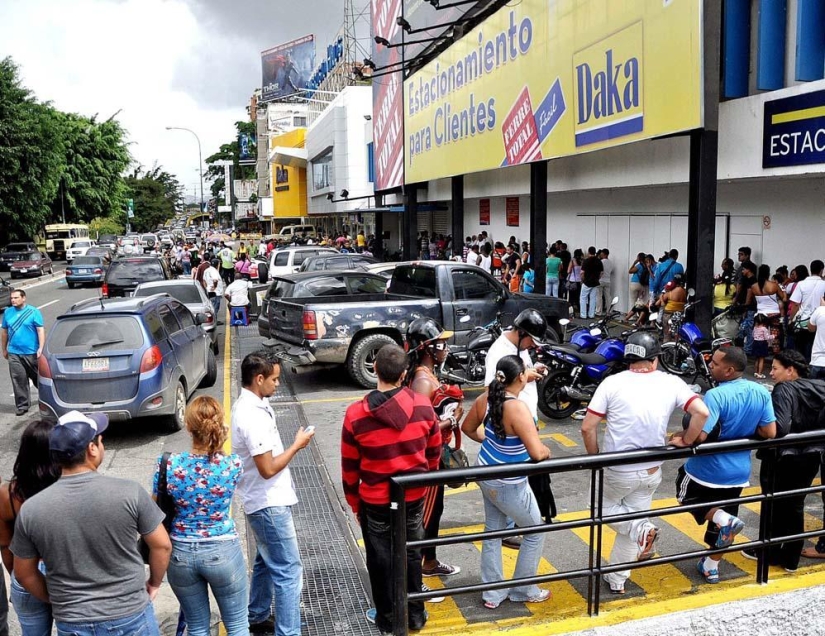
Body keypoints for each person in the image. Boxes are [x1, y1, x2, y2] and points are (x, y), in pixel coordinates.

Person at [10, 411, 171, 635]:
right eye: (100, 439)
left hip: (73, 622)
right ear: (92, 449)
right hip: (130, 616)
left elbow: (24, 573)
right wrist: (153, 583)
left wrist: (57, 599)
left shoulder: (31, 510)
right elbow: (162, 545)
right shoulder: (129, 492)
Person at [580, 331, 708, 594]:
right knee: (634, 527)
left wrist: (595, 459)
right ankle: (617, 579)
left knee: (599, 510)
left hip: (618, 469)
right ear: (656, 359)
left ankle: (640, 529)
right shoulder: (671, 383)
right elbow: (701, 412)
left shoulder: (612, 383)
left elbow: (587, 427)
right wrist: (687, 439)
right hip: (652, 469)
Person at [341, 344, 440, 634]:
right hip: (412, 498)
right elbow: (433, 454)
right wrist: (424, 482)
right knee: (410, 553)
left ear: (374, 370)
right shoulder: (423, 406)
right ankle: (416, 615)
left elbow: (349, 469)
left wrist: (356, 504)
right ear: (405, 374)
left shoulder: (356, 414)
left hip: (375, 501)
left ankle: (387, 618)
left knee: (380, 559)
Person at [671, 347, 776, 584]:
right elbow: (770, 431)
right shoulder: (760, 391)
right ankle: (712, 566)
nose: (711, 366)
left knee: (685, 497)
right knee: (727, 521)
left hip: (705, 470)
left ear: (729, 370)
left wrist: (683, 437)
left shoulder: (716, 395)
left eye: (716, 364)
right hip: (738, 473)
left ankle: (721, 518)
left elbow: (701, 436)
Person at [231, 354, 314, 635]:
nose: (278, 384)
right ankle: (288, 632)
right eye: (275, 379)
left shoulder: (254, 403)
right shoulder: (251, 415)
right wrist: (297, 445)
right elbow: (267, 468)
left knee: (266, 560)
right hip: (268, 503)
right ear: (259, 379)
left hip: (263, 500)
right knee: (289, 571)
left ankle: (256, 614)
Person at [461, 355, 551, 609]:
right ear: (521, 377)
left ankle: (493, 594)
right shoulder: (517, 408)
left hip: (486, 473)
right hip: (510, 483)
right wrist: (546, 450)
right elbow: (536, 453)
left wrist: (491, 443)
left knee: (493, 533)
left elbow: (467, 428)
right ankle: (523, 590)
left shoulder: (486, 399)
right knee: (534, 531)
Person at [159, 396, 245, 636]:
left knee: (197, 626)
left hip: (180, 554)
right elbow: (218, 459)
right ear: (219, 426)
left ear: (188, 427)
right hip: (223, 551)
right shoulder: (232, 465)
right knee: (238, 625)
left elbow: (156, 509)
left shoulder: (169, 465)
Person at [742, 351, 825, 569]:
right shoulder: (818, 386)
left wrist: (759, 428)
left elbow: (779, 428)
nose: (771, 372)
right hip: (811, 457)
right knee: (795, 504)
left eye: (775, 368)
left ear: (790, 370)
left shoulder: (784, 389)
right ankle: (790, 558)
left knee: (774, 504)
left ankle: (768, 551)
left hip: (783, 458)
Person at [484, 309, 551, 548]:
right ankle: (526, 585)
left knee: (492, 529)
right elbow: (492, 390)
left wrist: (530, 373)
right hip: (512, 426)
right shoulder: (499, 352)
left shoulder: (520, 350)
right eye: (531, 339)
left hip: (522, 423)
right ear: (521, 333)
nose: (533, 345)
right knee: (534, 529)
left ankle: (506, 529)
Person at [405, 320, 463, 589]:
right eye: (443, 343)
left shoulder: (427, 375)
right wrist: (449, 421)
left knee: (435, 511)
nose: (447, 348)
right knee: (423, 517)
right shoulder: (422, 382)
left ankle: (429, 562)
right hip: (427, 461)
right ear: (429, 348)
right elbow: (418, 429)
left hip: (436, 455)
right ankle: (414, 578)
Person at [0, 420, 61, 636]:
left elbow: (5, 545)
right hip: (63, 571)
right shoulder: (67, 487)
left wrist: (17, 576)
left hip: (26, 570)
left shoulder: (7, 494)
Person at [1, 289, 45, 416]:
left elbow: (40, 331)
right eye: (12, 298)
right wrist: (4, 349)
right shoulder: (8, 312)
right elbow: (4, 332)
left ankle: (47, 398)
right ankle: (22, 405)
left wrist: (40, 348)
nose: (13, 300)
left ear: (23, 298)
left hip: (31, 352)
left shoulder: (33, 312)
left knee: (38, 378)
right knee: (18, 379)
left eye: (16, 298)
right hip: (14, 352)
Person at [790, 260, 825, 360]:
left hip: (802, 322)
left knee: (800, 348)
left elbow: (796, 304)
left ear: (810, 269)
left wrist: (791, 319)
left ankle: (801, 368)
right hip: (818, 321)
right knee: (815, 346)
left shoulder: (801, 284)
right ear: (821, 270)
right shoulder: (824, 284)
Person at [580, 246, 603, 320]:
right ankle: (591, 314)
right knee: (593, 299)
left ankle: (583, 315)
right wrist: (597, 278)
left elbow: (582, 273)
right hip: (595, 282)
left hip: (587, 282)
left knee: (583, 298)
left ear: (589, 252)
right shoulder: (599, 261)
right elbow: (601, 272)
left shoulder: (586, 261)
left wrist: (583, 280)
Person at [752, 314, 773, 379]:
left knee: (757, 359)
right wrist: (773, 336)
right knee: (761, 359)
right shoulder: (764, 329)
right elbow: (767, 337)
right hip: (762, 344)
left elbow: (753, 335)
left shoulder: (755, 328)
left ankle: (755, 372)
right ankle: (759, 373)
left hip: (755, 343)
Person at [597, 248, 614, 315]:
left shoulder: (601, 262)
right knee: (608, 296)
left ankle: (599, 311)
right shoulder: (610, 263)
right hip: (608, 280)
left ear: (603, 254)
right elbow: (611, 271)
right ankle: (609, 311)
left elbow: (598, 270)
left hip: (600, 280)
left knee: (599, 296)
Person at [567, 249, 583, 316]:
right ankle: (579, 309)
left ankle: (571, 311)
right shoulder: (582, 261)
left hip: (572, 281)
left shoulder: (572, 261)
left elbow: (568, 271)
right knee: (578, 296)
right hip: (579, 281)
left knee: (571, 297)